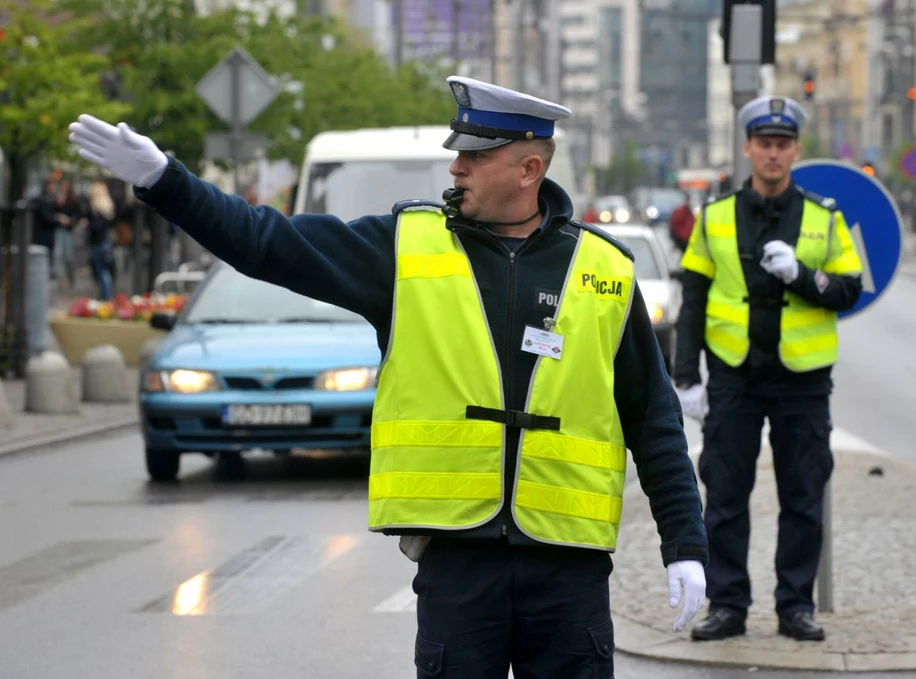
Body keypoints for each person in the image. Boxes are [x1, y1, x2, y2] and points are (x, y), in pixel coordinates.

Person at [69, 75, 709, 677]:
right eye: (457, 152)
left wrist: (685, 544)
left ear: (528, 169)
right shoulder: (404, 247)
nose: (455, 167)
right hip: (460, 563)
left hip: (570, 571)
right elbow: (269, 243)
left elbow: (653, 421)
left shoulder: (604, 271)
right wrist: (165, 180)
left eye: (474, 156)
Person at [672, 95, 863, 642]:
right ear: (749, 148)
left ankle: (795, 606)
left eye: (783, 145)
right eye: (764, 144)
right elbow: (695, 300)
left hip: (802, 383)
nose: (773, 154)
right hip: (734, 379)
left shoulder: (825, 220)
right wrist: (686, 377)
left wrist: (803, 275)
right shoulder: (714, 217)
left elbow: (848, 287)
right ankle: (728, 605)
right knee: (725, 497)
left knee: (803, 497)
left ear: (795, 151)